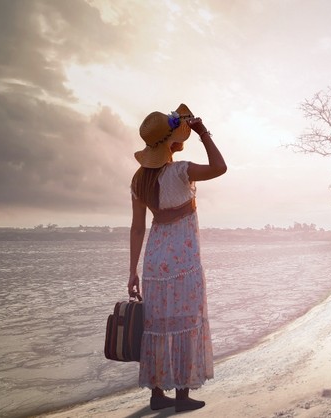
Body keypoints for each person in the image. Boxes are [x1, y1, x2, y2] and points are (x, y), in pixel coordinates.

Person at [127, 103, 226, 412]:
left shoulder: (138, 180)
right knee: (187, 321)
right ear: (171, 141)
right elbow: (220, 167)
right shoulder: (182, 171)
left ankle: (157, 395)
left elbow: (137, 228)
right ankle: (181, 397)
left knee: (156, 324)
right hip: (183, 259)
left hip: (156, 259)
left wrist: (133, 271)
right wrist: (203, 133)